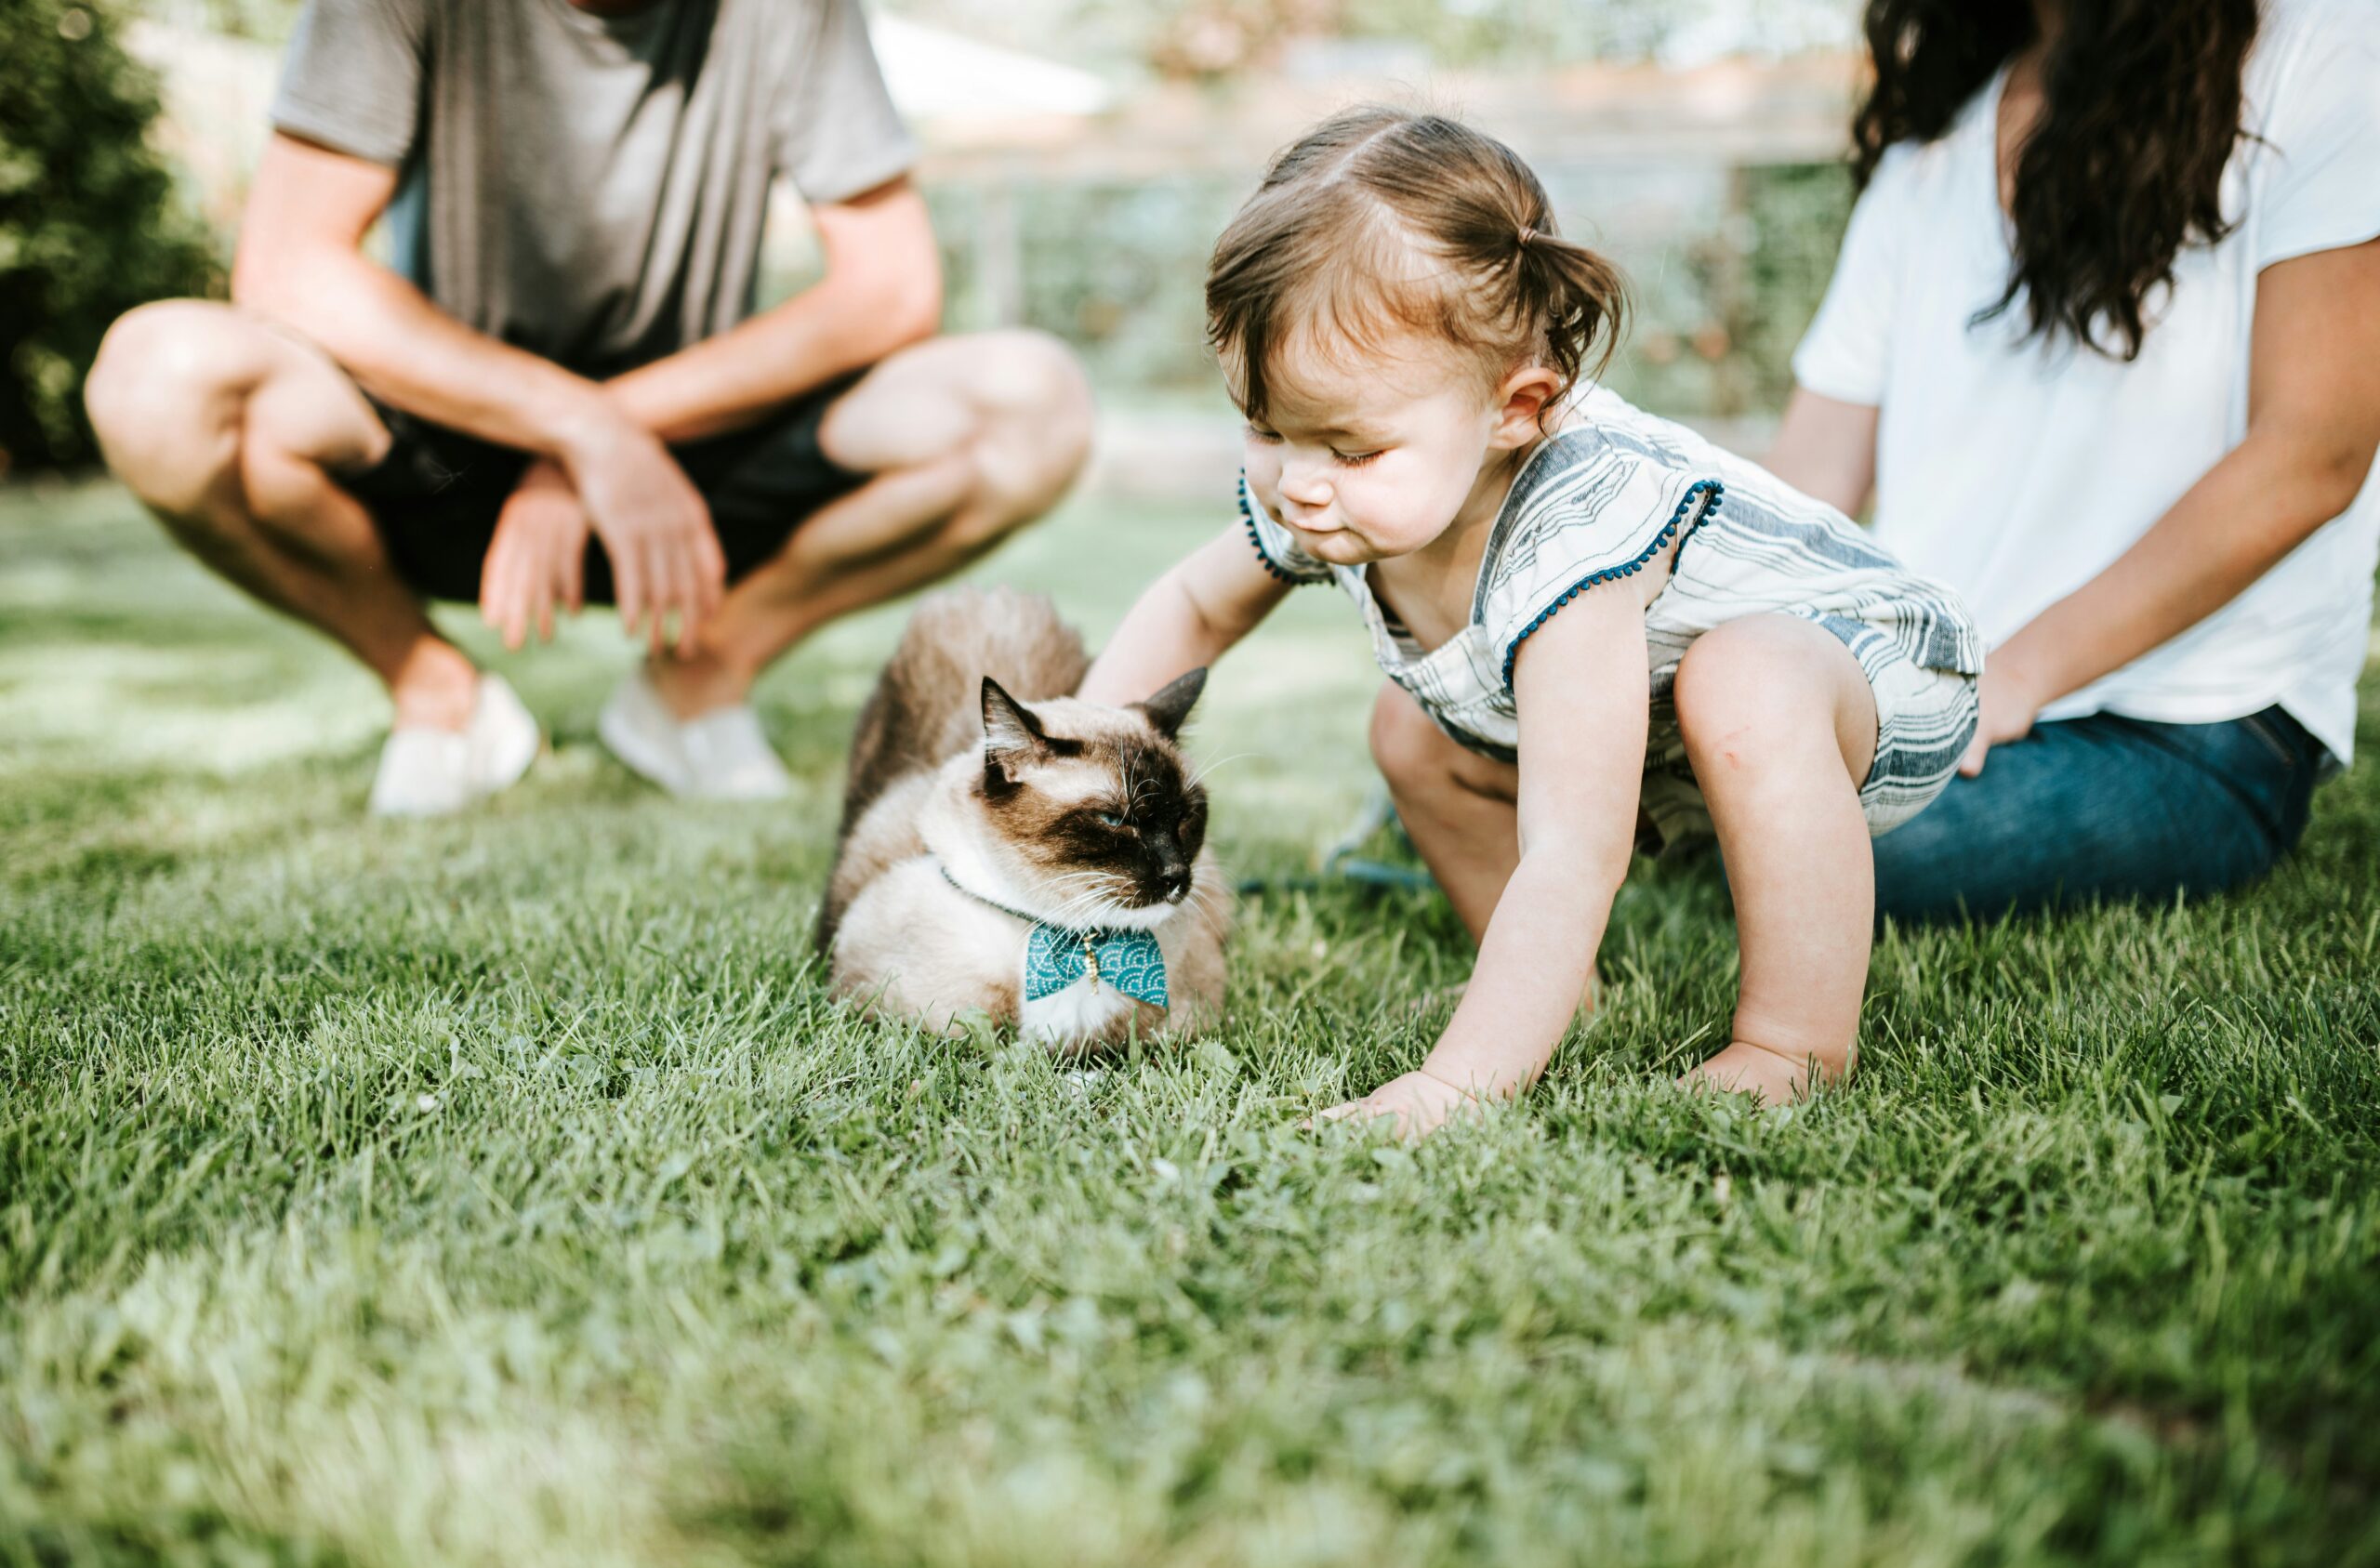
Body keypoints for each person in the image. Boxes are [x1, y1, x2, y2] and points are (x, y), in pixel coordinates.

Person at [1079, 110, 1986, 1128]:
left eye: (1349, 447)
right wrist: (1064, 757)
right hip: (1669, 712)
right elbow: (1195, 602)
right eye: (1263, 426)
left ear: (1516, 407)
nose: (1297, 483)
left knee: (1743, 681)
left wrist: (1452, 1086)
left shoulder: (1576, 529)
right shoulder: (1329, 481)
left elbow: (1573, 846)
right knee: (1408, 730)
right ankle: (1559, 997)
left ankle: (1790, 1039)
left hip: (1870, 668)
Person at [83, 0, 1092, 815]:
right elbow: (288, 264)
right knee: (158, 379)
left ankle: (699, 673)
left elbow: (892, 287)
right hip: (440, 452)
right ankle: (436, 694)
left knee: (1031, 404)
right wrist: (577, 427)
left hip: (699, 472)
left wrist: (616, 430)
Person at [1769, 0, 2380, 921]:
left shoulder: (2323, 56)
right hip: (1929, 702)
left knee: (1812, 838)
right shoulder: (1929, 154)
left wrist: (2015, 675)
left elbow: (2313, 453)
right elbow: (1808, 476)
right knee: (1721, 772)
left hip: (2194, 724)